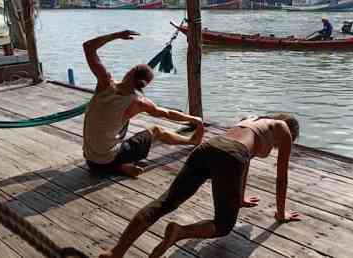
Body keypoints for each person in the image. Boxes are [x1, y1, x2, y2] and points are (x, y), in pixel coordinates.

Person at [99, 113, 301, 258]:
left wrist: (239, 197)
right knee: (223, 226)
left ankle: (115, 252)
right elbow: (281, 178)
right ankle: (180, 232)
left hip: (208, 148)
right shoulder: (282, 130)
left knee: (165, 202)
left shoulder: (252, 119)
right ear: (291, 130)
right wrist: (281, 214)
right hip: (230, 156)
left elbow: (244, 159)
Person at [82, 30, 204, 178]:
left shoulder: (104, 83)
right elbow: (167, 114)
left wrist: (117, 35)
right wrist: (194, 119)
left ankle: (118, 166)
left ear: (131, 71)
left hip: (90, 160)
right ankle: (192, 140)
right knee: (157, 131)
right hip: (108, 159)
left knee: (111, 138)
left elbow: (88, 46)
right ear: (143, 85)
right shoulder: (139, 102)